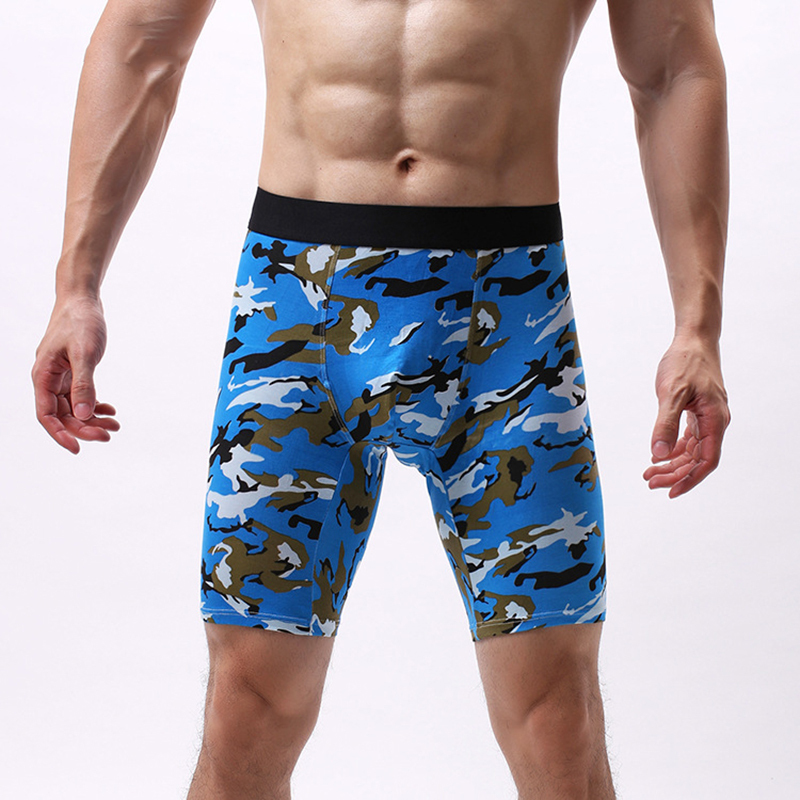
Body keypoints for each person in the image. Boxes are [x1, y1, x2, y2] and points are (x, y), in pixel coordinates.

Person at [31, 0, 731, 797]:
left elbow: (674, 67)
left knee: (557, 724)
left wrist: (698, 327)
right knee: (247, 712)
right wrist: (77, 285)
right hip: (297, 305)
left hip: (508, 315)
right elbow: (142, 44)